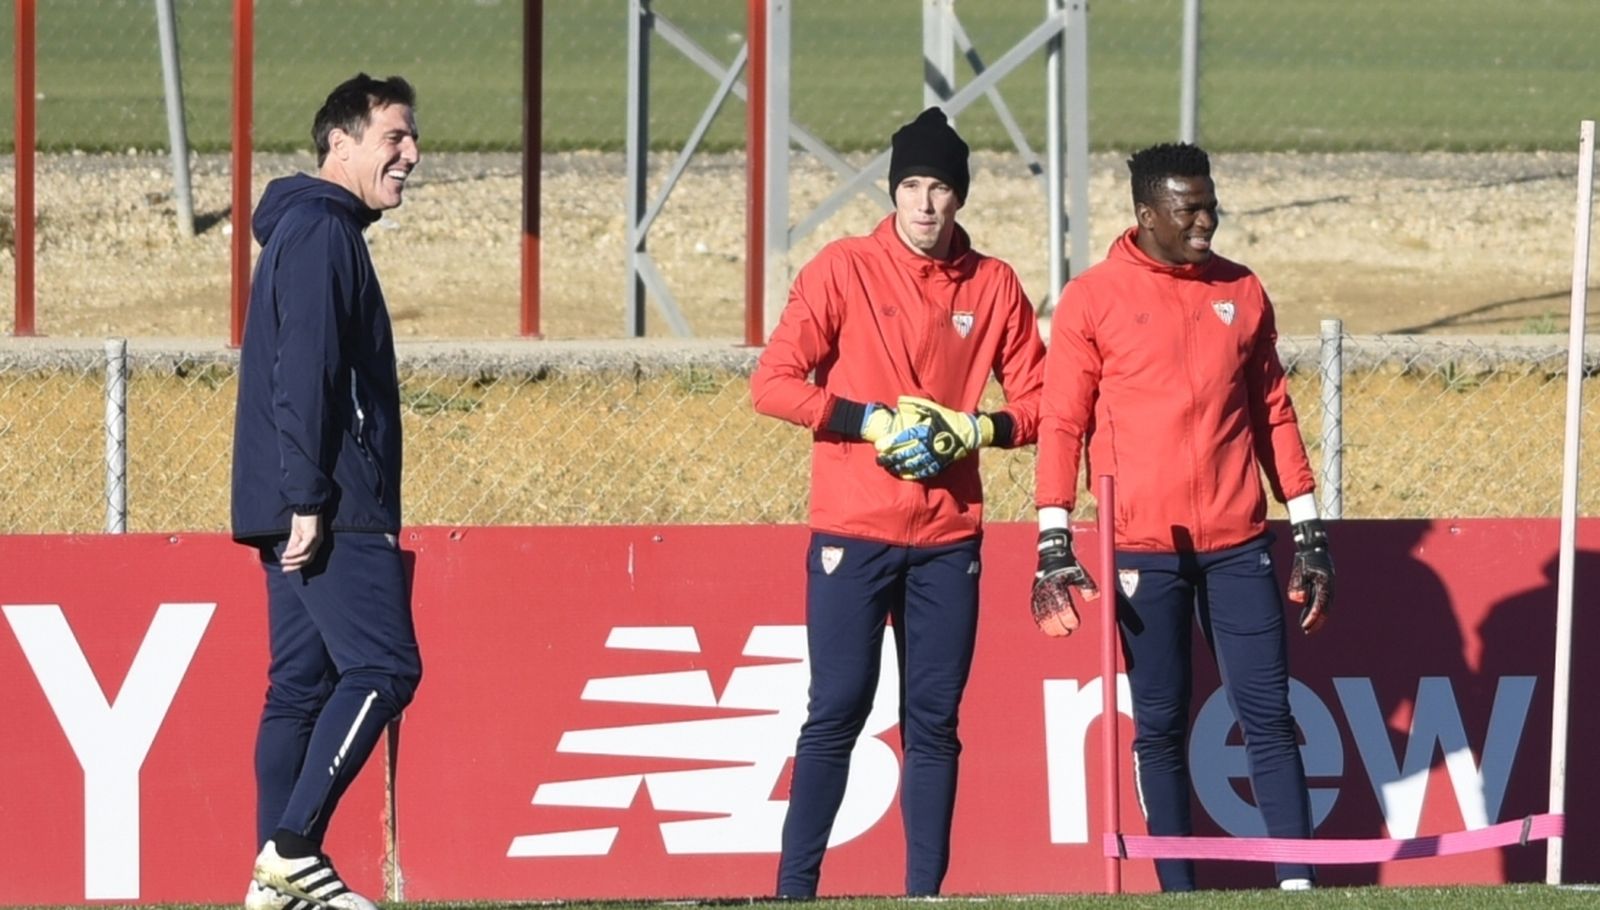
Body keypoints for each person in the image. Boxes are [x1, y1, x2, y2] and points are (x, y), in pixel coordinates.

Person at [750, 106, 1046, 898]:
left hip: (951, 539)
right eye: (911, 185)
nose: (923, 203)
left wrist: (973, 428)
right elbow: (773, 385)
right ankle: (795, 889)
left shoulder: (994, 284)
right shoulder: (842, 268)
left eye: (940, 187)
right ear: (893, 190)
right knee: (838, 708)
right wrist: (869, 419)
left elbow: (1049, 404)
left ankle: (925, 894)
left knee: (935, 724)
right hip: (854, 530)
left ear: (960, 199)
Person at [1029, 142, 1335, 892]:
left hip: (1237, 544)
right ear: (1146, 215)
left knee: (1267, 713)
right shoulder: (1093, 298)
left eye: (1210, 205)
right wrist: (1052, 536)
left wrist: (1309, 529)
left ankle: (1296, 883)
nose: (1205, 221)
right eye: (1186, 209)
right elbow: (1062, 422)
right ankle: (1178, 889)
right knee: (1160, 724)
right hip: (1143, 547)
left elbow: (1273, 412)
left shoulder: (1243, 290)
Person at [230, 73, 423, 910]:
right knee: (385, 666)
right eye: (394, 138)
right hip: (330, 504)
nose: (411, 155)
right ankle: (296, 848)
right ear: (339, 144)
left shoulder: (314, 230)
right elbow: (300, 370)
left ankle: (272, 886)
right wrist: (311, 493)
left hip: (305, 495)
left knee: (302, 688)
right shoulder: (321, 234)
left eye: (413, 140)